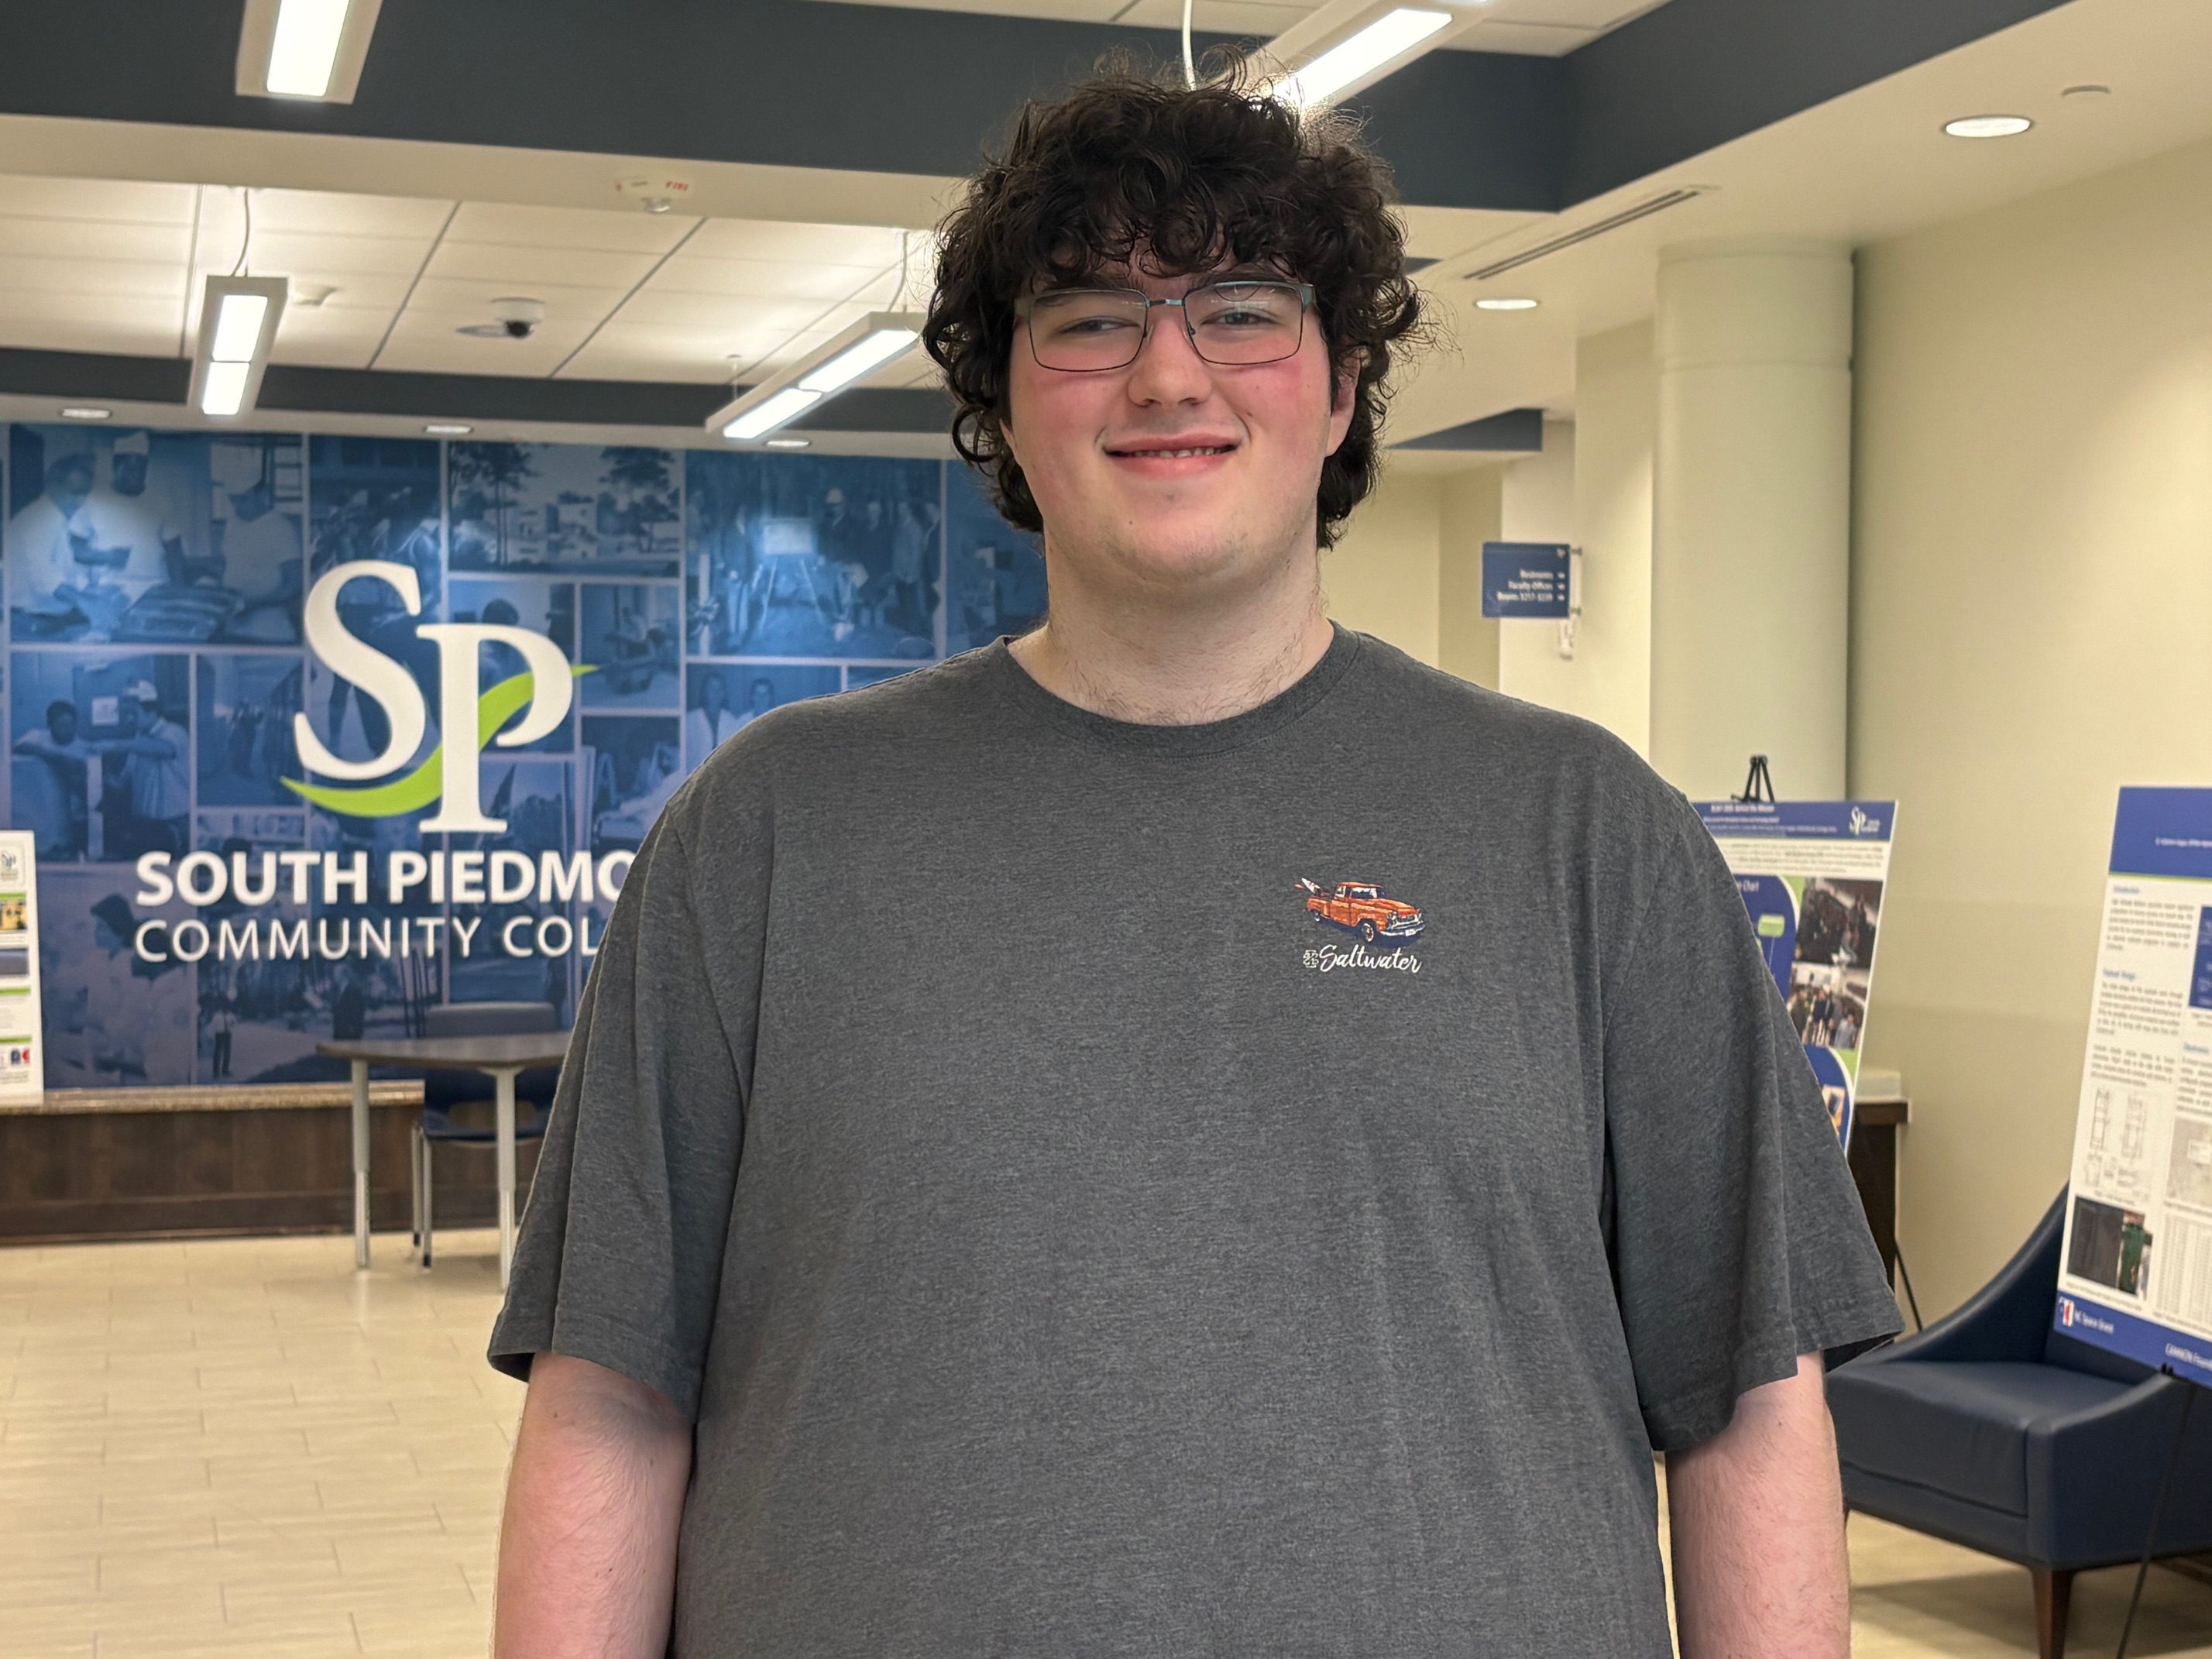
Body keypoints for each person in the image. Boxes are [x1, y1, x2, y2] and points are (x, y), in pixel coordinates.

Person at [488, 67, 1900, 1659]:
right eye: (1090, 317)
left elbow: (1750, 1406)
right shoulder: (763, 837)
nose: (1169, 372)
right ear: (1006, 404)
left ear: (1343, 384)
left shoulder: (1590, 834)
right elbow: (609, 1402)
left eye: (1242, 310)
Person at [12, 700, 93, 859]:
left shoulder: (83, 747)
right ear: (50, 725)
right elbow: (19, 747)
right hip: (41, 816)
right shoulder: (37, 737)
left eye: (71, 725)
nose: (67, 730)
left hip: (73, 817)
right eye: (62, 725)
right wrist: (58, 757)